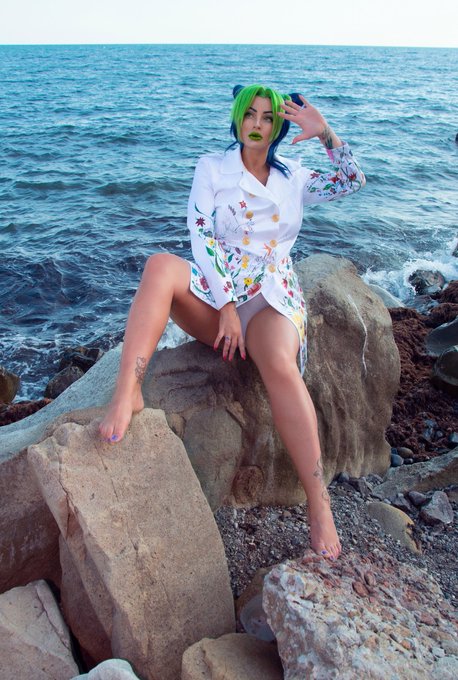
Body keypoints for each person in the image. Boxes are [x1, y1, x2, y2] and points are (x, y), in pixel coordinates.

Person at [99, 84, 366, 561]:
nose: (257, 125)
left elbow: (352, 181)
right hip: (217, 290)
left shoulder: (294, 176)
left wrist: (325, 132)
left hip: (270, 296)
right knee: (160, 266)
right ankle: (128, 392)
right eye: (250, 115)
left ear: (277, 126)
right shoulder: (212, 168)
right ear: (238, 119)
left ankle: (318, 503)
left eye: (267, 117)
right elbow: (200, 233)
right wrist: (224, 304)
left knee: (279, 364)